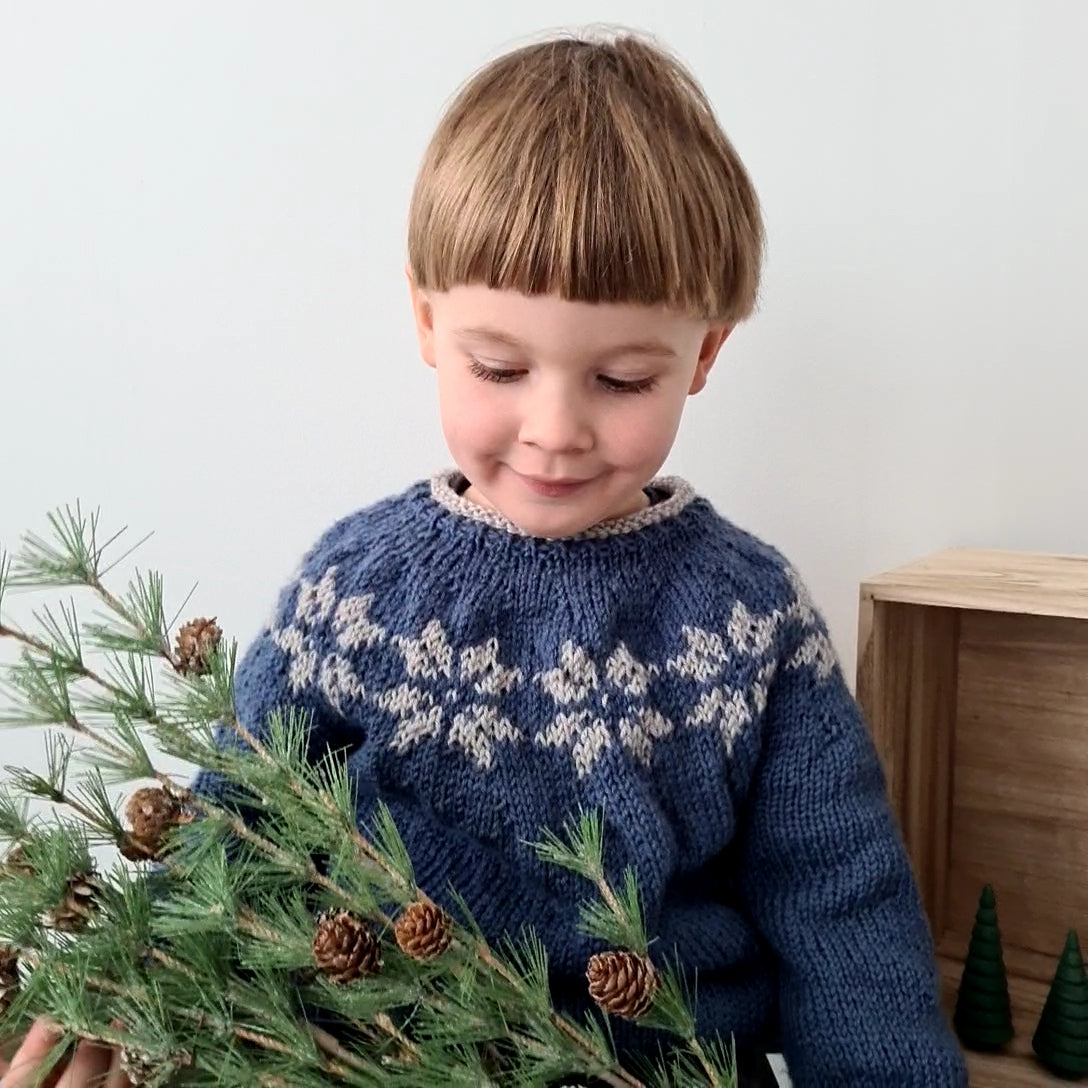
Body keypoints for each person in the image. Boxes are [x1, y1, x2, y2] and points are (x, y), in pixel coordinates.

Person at [2, 28, 967, 1088]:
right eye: (499, 366)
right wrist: (142, 998)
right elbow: (237, 819)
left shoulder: (747, 616)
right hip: (366, 1053)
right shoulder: (356, 593)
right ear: (426, 322)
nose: (553, 428)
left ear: (703, 351)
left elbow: (836, 900)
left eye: (621, 380)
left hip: (653, 1066)